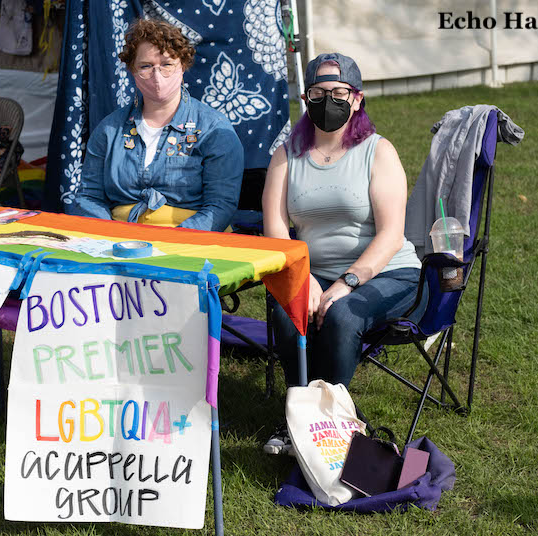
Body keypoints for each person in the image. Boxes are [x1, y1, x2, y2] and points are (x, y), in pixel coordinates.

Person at [261, 53, 428, 455]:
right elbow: (276, 230)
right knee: (288, 314)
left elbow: (391, 235)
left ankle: (330, 423)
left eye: (339, 92)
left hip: (387, 273)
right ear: (305, 98)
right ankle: (298, 416)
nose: (328, 101)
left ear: (357, 99)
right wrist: (302, 280)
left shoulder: (378, 151)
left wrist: (346, 282)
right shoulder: (287, 155)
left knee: (342, 314)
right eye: (318, 93)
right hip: (311, 270)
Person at [67, 19, 244, 232]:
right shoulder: (109, 129)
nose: (157, 77)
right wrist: (112, 237)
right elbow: (89, 196)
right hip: (120, 240)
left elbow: (220, 205)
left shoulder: (214, 129)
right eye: (146, 66)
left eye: (167, 65)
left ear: (183, 66)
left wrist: (174, 243)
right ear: (132, 70)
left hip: (195, 242)